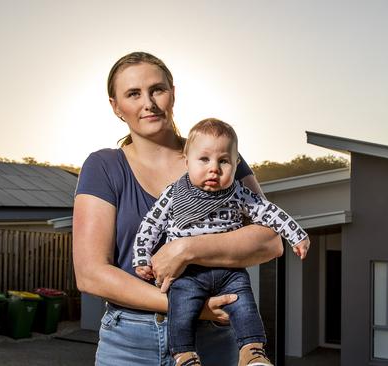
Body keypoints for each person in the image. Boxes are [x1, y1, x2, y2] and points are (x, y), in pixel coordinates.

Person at [73, 51, 284, 366]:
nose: (149, 102)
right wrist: (190, 304)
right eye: (133, 94)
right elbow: (91, 274)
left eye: (157, 89)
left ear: (173, 93)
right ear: (116, 107)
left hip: (212, 338)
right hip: (129, 343)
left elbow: (271, 241)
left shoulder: (218, 157)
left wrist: (187, 248)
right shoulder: (103, 166)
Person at [132, 118, 310, 366]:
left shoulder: (238, 193)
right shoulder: (173, 193)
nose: (214, 168)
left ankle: (252, 352)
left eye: (223, 161)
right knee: (180, 308)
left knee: (244, 304)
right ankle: (184, 355)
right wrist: (141, 257)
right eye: (204, 160)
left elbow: (268, 212)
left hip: (228, 271)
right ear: (187, 161)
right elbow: (150, 224)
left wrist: (297, 234)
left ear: (236, 164)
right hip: (186, 273)